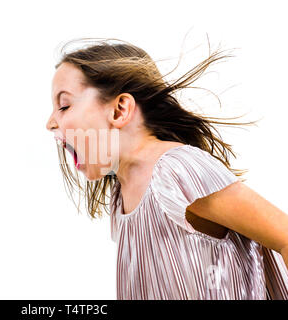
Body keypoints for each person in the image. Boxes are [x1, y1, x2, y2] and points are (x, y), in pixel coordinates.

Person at [45, 38, 288, 299]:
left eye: (64, 106)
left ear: (119, 110)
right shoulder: (121, 198)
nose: (50, 123)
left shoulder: (176, 170)